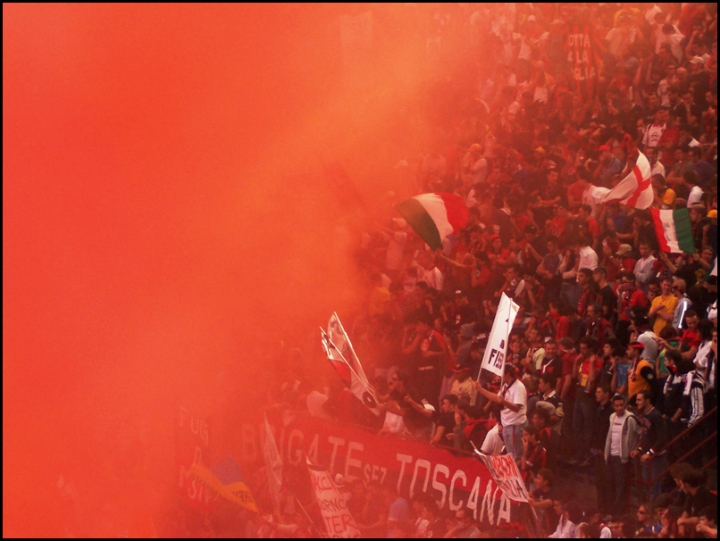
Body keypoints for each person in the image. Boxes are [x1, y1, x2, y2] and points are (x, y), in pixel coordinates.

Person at [476, 364, 527, 461]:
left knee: (516, 456)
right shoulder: (505, 386)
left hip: (515, 424)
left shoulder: (519, 387)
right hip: (506, 424)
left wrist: (503, 402)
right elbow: (496, 399)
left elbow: (517, 408)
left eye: (501, 374)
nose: (498, 377)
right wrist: (480, 390)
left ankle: (518, 474)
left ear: (507, 374)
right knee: (510, 455)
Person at [605, 393, 640, 517]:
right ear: (613, 406)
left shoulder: (630, 418)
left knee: (620, 487)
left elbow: (640, 434)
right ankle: (611, 512)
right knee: (610, 485)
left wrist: (636, 448)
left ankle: (618, 515)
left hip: (622, 457)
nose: (619, 408)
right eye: (617, 406)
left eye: (621, 405)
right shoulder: (611, 417)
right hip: (611, 455)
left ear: (625, 405)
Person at [632, 390, 669, 501]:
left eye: (639, 400)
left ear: (647, 400)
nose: (637, 402)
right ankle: (650, 511)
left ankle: (654, 514)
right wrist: (639, 449)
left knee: (654, 487)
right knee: (647, 486)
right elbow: (646, 436)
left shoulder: (656, 415)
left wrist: (649, 453)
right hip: (647, 456)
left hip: (656, 457)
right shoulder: (643, 414)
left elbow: (662, 438)